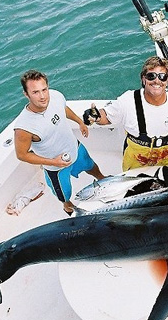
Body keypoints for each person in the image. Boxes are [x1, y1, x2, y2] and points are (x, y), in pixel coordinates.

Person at [86, 56, 168, 171]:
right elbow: (106, 116)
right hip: (137, 163)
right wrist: (95, 116)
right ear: (143, 79)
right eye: (151, 76)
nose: (157, 80)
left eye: (162, 76)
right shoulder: (128, 100)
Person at [14, 69, 106, 215]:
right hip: (55, 167)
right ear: (26, 94)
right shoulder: (24, 127)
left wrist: (79, 122)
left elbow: (64, 109)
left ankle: (102, 179)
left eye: (44, 89)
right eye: (35, 92)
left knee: (91, 165)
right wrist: (53, 162)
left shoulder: (56, 96)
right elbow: (22, 155)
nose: (43, 96)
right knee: (65, 194)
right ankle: (68, 206)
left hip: (74, 147)